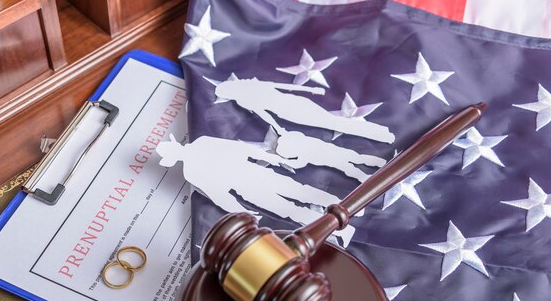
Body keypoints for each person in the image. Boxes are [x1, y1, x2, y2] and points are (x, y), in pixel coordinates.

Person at [157, 135, 355, 245]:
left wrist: (274, 160)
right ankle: (339, 229)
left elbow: (240, 150)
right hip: (250, 189)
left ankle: (350, 206)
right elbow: (219, 195)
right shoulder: (191, 169)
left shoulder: (199, 152)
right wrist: (239, 210)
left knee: (298, 194)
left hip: (255, 176)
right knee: (292, 207)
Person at [213, 77, 395, 143]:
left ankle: (379, 134)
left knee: (332, 122)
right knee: (332, 122)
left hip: (292, 109)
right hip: (294, 105)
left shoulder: (248, 96)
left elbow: (265, 113)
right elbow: (279, 87)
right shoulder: (249, 92)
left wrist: (279, 128)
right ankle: (379, 133)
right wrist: (310, 90)